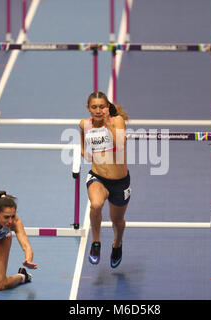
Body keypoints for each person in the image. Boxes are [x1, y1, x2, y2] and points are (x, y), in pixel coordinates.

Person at [79, 91, 131, 268]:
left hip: (120, 182)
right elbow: (84, 153)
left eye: (102, 106)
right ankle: (96, 242)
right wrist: (90, 150)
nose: (98, 110)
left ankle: (117, 244)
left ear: (107, 107)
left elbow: (121, 145)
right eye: (94, 107)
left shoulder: (117, 121)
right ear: (88, 109)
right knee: (96, 205)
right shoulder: (84, 125)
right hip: (98, 177)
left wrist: (106, 125)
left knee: (118, 221)